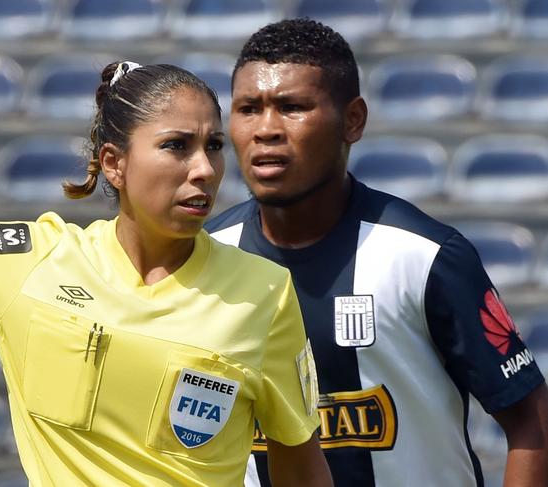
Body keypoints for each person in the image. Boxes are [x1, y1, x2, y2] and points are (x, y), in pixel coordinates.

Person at [0, 61, 333, 487]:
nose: (204, 169)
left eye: (214, 146)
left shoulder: (265, 292)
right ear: (114, 163)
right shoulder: (36, 261)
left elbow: (300, 465)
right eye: (176, 146)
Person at [206, 18, 548, 487]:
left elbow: (532, 420)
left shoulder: (424, 256)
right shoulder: (205, 257)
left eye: (292, 107)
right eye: (249, 108)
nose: (266, 129)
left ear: (353, 121)